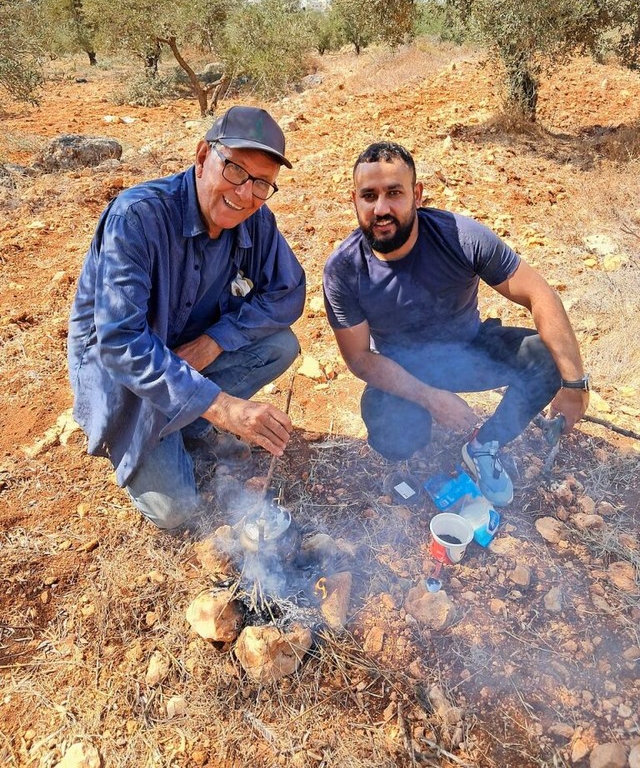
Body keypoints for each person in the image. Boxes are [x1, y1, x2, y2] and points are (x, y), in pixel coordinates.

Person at [68, 106, 305, 530]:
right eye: (234, 169)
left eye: (262, 183)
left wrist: (214, 341)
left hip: (189, 357)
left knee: (280, 345)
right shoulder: (137, 218)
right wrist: (222, 407)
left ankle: (189, 423)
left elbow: (288, 292)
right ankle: (159, 429)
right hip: (126, 379)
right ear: (201, 158)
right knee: (176, 512)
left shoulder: (255, 220)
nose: (245, 193)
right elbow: (120, 342)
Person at [322, 141, 589, 506]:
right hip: (402, 367)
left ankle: (484, 446)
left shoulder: (459, 237)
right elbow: (360, 359)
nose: (381, 208)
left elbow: (540, 295)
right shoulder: (344, 269)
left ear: (416, 194)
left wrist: (575, 384)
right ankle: (418, 424)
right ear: (354, 199)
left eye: (394, 193)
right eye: (369, 196)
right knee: (394, 439)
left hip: (469, 350)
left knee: (544, 359)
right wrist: (431, 399)